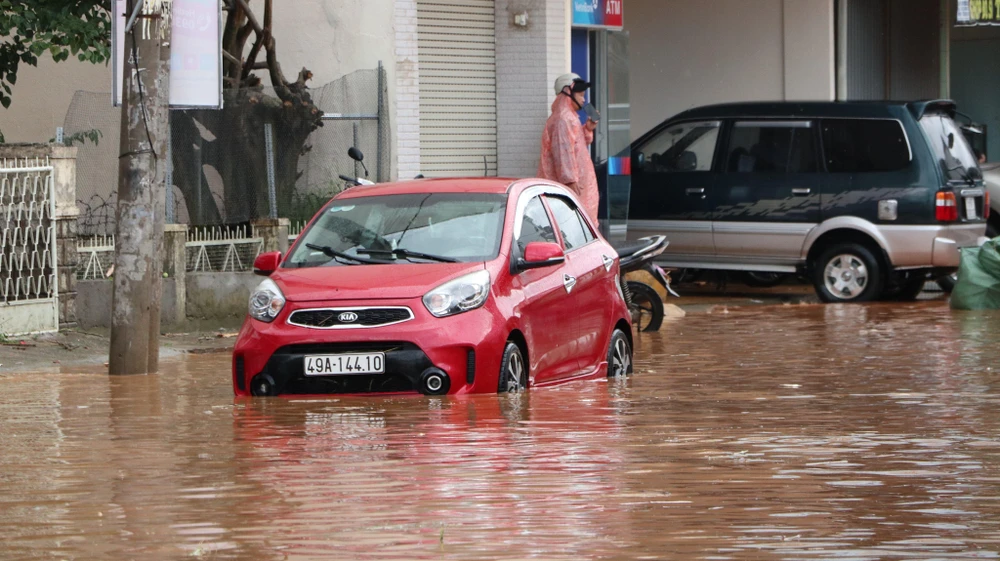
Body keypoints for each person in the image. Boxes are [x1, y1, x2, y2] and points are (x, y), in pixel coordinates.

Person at [538, 72, 599, 224]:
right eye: (580, 94)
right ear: (567, 92)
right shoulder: (563, 119)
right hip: (574, 190)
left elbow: (577, 147)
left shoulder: (569, 118)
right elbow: (562, 152)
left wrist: (588, 129)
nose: (583, 99)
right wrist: (570, 181)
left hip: (579, 188)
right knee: (574, 227)